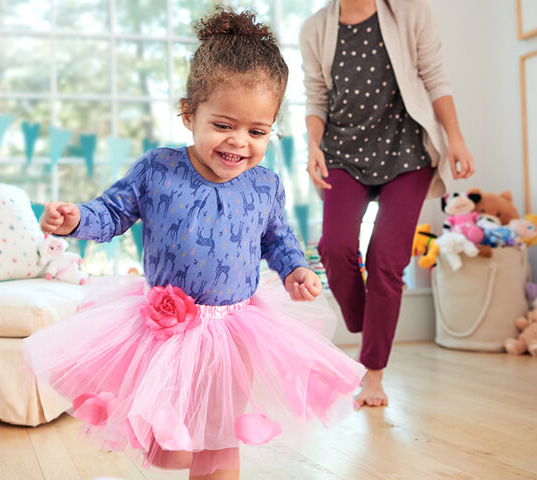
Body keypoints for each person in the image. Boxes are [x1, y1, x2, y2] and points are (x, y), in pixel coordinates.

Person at [23, 8, 365, 480]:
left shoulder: (263, 184)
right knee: (170, 448)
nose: (239, 142)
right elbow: (114, 212)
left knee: (220, 439)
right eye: (224, 125)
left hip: (236, 328)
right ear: (189, 114)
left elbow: (277, 237)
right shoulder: (158, 169)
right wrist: (78, 218)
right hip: (165, 331)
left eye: (257, 131)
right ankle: (172, 452)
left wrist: (295, 270)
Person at [299, 0, 474, 407]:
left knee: (386, 260)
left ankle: (373, 375)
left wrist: (456, 139)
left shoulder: (411, 12)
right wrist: (312, 145)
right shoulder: (315, 29)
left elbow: (435, 78)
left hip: (406, 153)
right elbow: (316, 97)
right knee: (334, 247)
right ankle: (365, 319)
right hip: (342, 153)